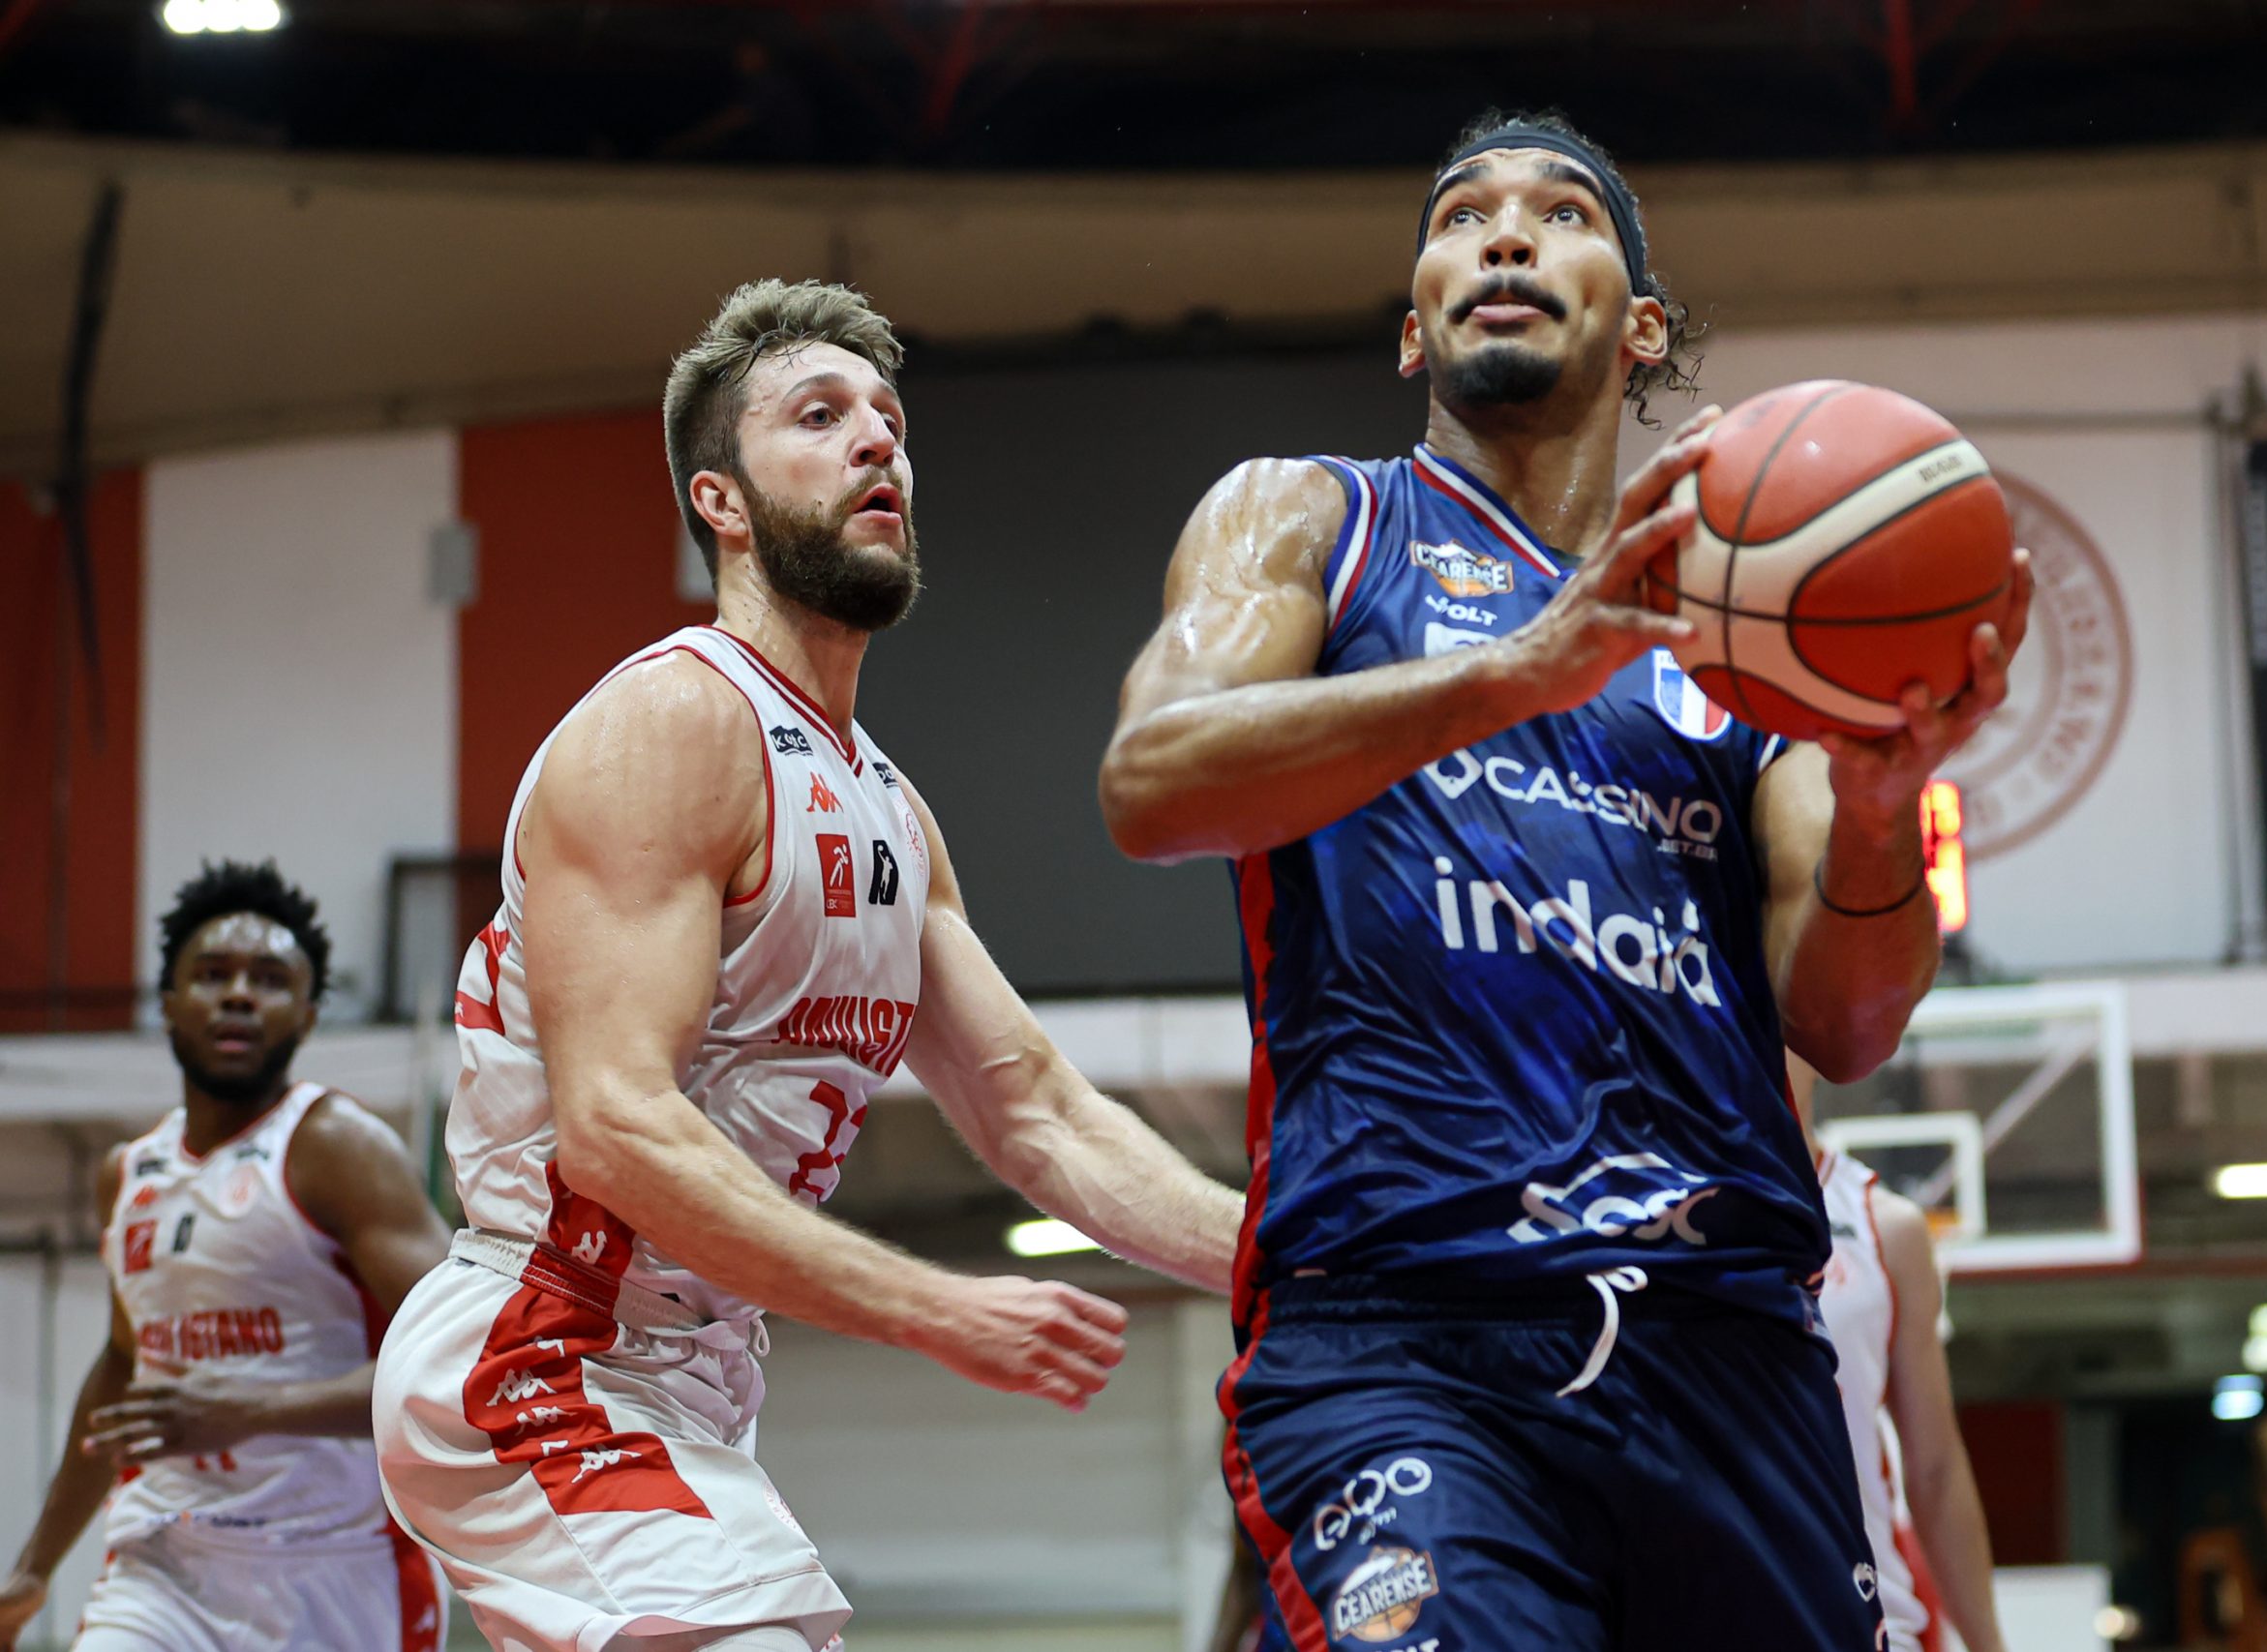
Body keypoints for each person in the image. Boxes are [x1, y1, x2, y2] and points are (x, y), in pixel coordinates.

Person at [1101, 107, 2034, 1648]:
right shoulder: (1314, 517)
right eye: (1463, 216)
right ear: (1416, 329)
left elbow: (1850, 1022)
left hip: (1730, 1346)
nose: (1507, 235)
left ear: (1643, 325)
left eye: (1562, 213)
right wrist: (1522, 670)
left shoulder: (1746, 638)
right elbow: (1155, 780)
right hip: (1410, 1328)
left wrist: (1882, 799)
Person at [374, 278, 1244, 1652]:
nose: (878, 441)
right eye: (820, 415)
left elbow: (1038, 1113)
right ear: (719, 500)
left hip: (697, 1377)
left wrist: (1292, 1263)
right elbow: (615, 1123)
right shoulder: (673, 721)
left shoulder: (892, 808)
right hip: (547, 1346)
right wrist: (930, 1305)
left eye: (889, 419)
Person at [0, 859, 453, 1652]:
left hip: (334, 1567)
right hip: (165, 1561)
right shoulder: (129, 1173)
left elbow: (457, 1355)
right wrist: (35, 1565)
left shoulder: (337, 1148)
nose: (239, 994)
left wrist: (248, 1411)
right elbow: (124, 1359)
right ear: (168, 1001)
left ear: (307, 1014)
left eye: (270, 979)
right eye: (212, 974)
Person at [1794, 1056, 2010, 1652]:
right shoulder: (1661, 1219)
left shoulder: (1885, 1227)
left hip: (1868, 1617)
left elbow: (1935, 1468)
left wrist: (1989, 1645)